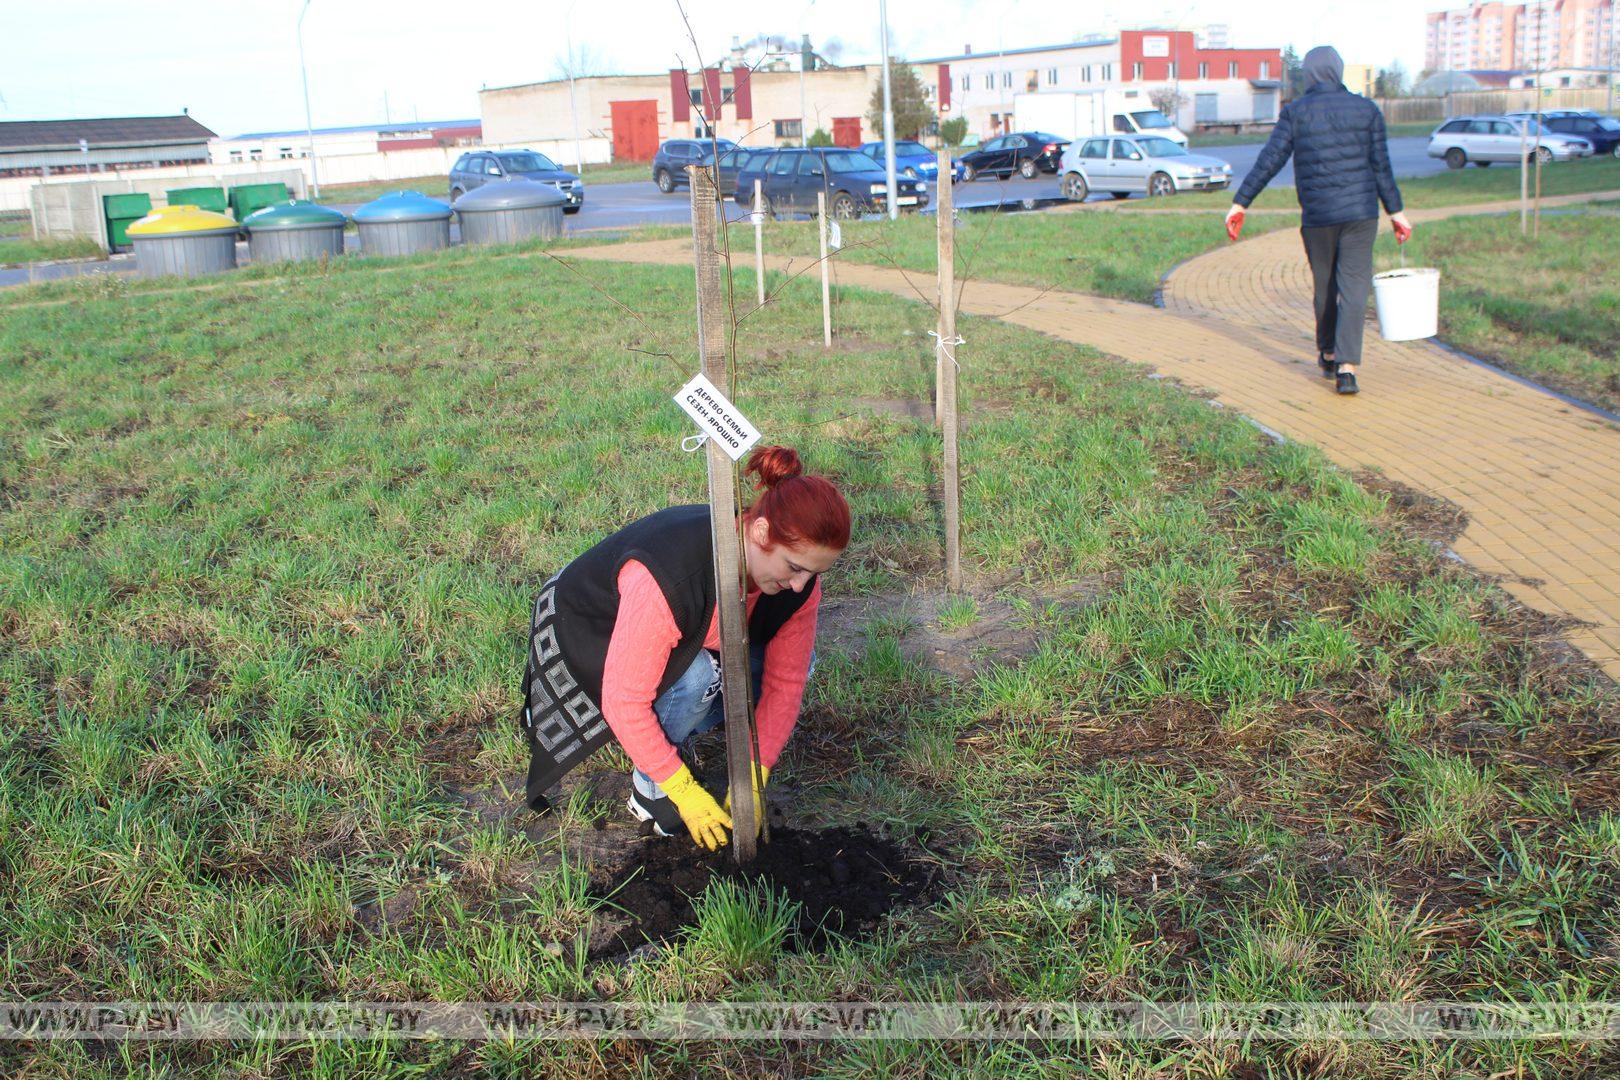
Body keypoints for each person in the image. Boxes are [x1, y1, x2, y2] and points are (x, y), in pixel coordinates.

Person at [517, 445, 850, 850]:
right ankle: (650, 786)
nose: (801, 584)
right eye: (794, 567)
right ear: (760, 532)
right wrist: (683, 789)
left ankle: (673, 732)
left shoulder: (799, 587)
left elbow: (787, 682)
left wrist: (755, 773)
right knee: (696, 677)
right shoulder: (671, 576)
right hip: (590, 633)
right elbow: (624, 699)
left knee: (796, 661)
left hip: (684, 632)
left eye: (814, 573)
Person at [1224, 45, 1413, 396]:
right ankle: (1347, 368)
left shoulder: (1296, 112)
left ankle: (1328, 351)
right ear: (1338, 71)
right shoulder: (1366, 110)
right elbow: (1381, 167)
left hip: (1319, 216)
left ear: (1308, 74)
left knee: (1325, 285)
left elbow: (1270, 160)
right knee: (1354, 287)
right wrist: (1396, 213)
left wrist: (1241, 202)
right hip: (1360, 213)